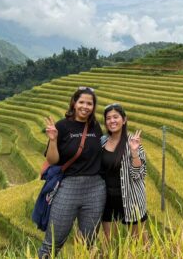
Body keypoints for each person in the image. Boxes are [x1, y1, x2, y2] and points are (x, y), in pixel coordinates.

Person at [38, 87, 105, 259]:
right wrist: (53, 140)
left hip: (95, 189)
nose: (85, 106)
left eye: (89, 103)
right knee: (53, 242)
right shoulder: (62, 126)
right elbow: (53, 160)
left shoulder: (96, 127)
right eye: (81, 102)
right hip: (68, 186)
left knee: (88, 243)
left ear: (93, 106)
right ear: (74, 104)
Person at [100, 103, 147, 241]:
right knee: (109, 242)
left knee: (139, 242)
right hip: (107, 199)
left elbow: (138, 174)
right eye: (108, 118)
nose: (112, 121)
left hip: (131, 198)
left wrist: (134, 152)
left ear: (124, 120)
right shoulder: (102, 142)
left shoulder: (133, 142)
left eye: (116, 117)